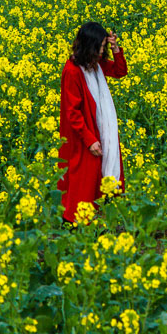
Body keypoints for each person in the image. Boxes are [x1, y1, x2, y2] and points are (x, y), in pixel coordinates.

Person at [58, 23, 128, 224]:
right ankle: (72, 224)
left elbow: (119, 71)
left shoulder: (94, 63)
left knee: (94, 180)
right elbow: (73, 112)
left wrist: (116, 49)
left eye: (104, 46)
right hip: (81, 136)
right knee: (82, 182)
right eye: (100, 46)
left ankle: (89, 224)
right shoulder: (72, 71)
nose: (102, 51)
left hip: (95, 131)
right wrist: (90, 140)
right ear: (89, 45)